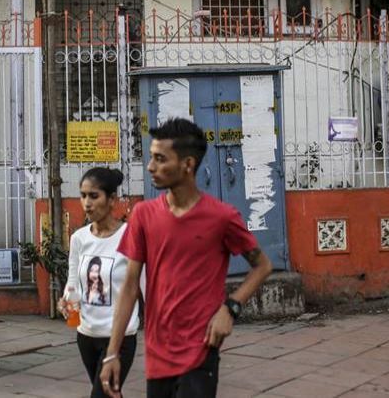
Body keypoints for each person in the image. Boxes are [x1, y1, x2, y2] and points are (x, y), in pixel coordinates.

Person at [99, 118, 272, 397]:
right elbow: (129, 286)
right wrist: (112, 353)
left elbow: (262, 266)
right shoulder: (143, 215)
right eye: (151, 157)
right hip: (158, 352)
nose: (150, 167)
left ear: (187, 164)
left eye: (160, 159)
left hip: (201, 350)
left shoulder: (222, 217)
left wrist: (230, 308)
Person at [60, 167, 140, 398]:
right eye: (83, 195)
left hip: (120, 337)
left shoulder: (130, 236)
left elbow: (143, 287)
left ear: (112, 199)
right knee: (110, 393)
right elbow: (73, 282)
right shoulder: (79, 238)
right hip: (86, 335)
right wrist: (66, 300)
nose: (87, 203)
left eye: (94, 196)